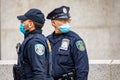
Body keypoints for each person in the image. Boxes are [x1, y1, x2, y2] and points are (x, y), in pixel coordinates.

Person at [46, 6, 89, 80]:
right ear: (53, 23)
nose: (66, 23)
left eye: (67, 20)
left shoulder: (75, 40)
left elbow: (82, 68)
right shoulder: (47, 40)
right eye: (62, 20)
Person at [13, 8, 53, 80]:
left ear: (31, 24)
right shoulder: (35, 39)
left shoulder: (35, 42)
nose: (21, 24)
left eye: (23, 21)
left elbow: (39, 72)